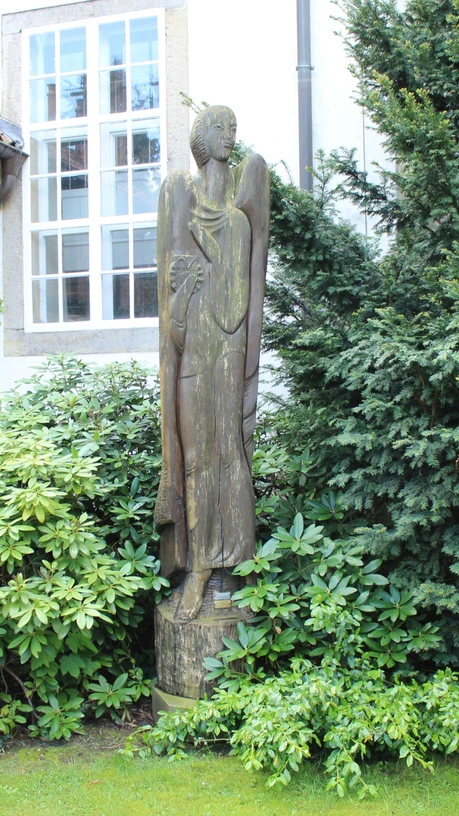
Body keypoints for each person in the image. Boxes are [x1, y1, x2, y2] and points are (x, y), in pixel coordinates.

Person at [155, 105, 270, 622]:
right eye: (222, 128)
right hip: (192, 364)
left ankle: (229, 572)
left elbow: (233, 311)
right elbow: (174, 331)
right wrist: (181, 295)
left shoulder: (239, 224)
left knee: (230, 460)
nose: (231, 135)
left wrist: (207, 253)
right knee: (195, 461)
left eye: (233, 127)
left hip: (223, 359)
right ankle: (197, 570)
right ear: (204, 138)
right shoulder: (179, 199)